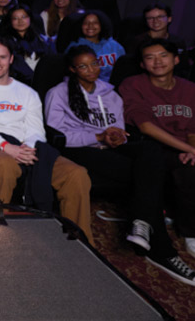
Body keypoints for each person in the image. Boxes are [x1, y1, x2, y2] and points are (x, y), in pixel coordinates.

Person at [45, 45, 195, 285]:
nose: (91, 70)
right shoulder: (58, 93)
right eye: (83, 66)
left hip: (109, 146)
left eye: (94, 64)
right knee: (148, 176)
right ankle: (162, 249)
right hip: (79, 148)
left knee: (151, 151)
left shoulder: (111, 93)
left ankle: (141, 224)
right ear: (72, 69)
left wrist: (116, 136)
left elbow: (119, 129)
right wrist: (97, 136)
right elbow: (57, 136)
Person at [0, 38, 92, 240]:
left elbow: (36, 130)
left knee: (76, 174)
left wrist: (25, 150)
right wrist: (5, 146)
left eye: (2, 57)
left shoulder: (27, 93)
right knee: (5, 165)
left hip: (26, 147)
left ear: (11, 59)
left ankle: (81, 241)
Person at [120, 39, 195, 259]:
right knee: (184, 170)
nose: (157, 62)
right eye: (150, 57)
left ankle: (177, 215)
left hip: (184, 147)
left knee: (190, 165)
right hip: (150, 147)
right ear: (142, 64)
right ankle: (189, 232)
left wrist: (192, 151)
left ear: (176, 59)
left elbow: (192, 129)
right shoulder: (133, 84)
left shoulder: (190, 89)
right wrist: (187, 149)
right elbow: (145, 126)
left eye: (163, 56)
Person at [0, 4, 53, 84]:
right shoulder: (5, 43)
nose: (20, 21)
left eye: (24, 17)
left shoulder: (42, 39)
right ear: (10, 21)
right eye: (15, 18)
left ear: (30, 18)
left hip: (45, 81)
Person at [65, 11, 125, 82]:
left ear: (101, 25)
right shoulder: (74, 47)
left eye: (95, 23)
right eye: (86, 23)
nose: (90, 26)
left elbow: (123, 70)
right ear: (80, 25)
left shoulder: (115, 46)